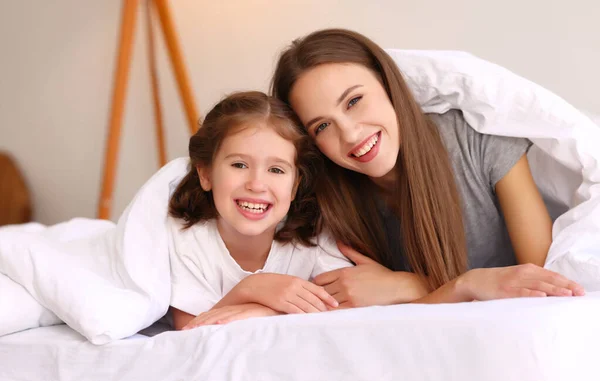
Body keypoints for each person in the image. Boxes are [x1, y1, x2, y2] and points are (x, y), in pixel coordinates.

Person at [268, 28, 585, 307]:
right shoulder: (334, 203)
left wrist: (408, 285)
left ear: (388, 85)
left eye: (354, 101)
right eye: (322, 126)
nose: (350, 134)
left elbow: (544, 281)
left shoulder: (471, 139)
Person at [167, 91, 352, 330]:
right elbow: (190, 329)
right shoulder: (188, 239)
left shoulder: (314, 239)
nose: (256, 184)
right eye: (239, 165)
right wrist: (250, 288)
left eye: (276, 170)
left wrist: (264, 310)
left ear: (295, 186)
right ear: (206, 174)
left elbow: (345, 305)